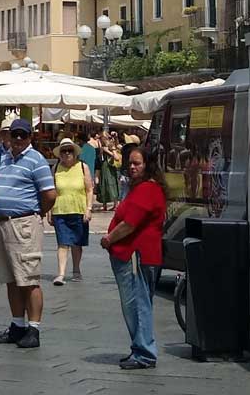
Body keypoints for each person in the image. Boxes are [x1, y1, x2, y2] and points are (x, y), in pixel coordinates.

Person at [0, 118, 56, 349]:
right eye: (15, 135)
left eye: (23, 135)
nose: (19, 139)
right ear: (9, 136)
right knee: (10, 278)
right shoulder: (2, 157)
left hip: (23, 224)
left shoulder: (36, 160)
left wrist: (36, 212)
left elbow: (50, 195)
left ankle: (34, 328)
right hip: (3, 223)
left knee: (29, 279)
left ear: (30, 137)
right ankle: (17, 325)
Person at [101, 145, 167, 370]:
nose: (132, 167)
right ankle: (139, 347)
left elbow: (129, 224)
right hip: (133, 255)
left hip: (136, 255)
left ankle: (145, 352)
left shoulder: (147, 189)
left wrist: (109, 238)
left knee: (137, 304)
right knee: (135, 304)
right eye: (130, 163)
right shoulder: (139, 188)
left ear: (147, 165)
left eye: (137, 163)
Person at [51, 137, 95, 285]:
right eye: (64, 151)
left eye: (70, 151)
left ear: (75, 152)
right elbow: (52, 191)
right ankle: (61, 274)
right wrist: (49, 211)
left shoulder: (83, 167)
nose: (67, 154)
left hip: (79, 209)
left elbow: (89, 190)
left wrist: (88, 209)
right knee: (62, 243)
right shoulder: (56, 168)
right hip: (60, 210)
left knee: (77, 243)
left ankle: (76, 270)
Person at [95, 127, 122, 210]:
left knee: (113, 185)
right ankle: (104, 204)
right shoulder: (99, 148)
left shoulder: (111, 146)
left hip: (111, 168)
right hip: (103, 168)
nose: (102, 140)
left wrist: (108, 151)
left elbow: (116, 157)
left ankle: (115, 204)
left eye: (104, 138)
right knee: (103, 185)